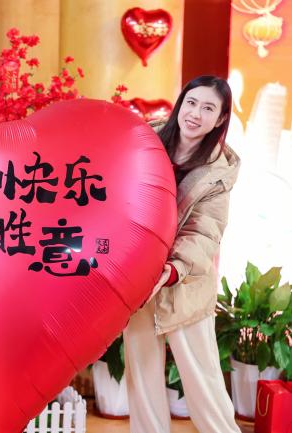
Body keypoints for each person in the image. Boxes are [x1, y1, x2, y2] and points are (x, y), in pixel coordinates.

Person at [123, 75, 241, 433]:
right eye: (191, 102)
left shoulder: (218, 172)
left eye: (208, 108)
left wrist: (174, 269)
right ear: (180, 103)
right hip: (138, 281)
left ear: (220, 119)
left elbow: (205, 232)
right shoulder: (145, 140)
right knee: (142, 378)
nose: (195, 114)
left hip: (183, 284)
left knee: (203, 382)